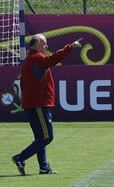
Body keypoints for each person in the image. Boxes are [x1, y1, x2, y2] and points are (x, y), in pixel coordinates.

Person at [12, 34, 82, 175]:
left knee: (40, 137)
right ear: (36, 44)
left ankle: (44, 167)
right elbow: (53, 59)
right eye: (44, 44)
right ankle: (20, 157)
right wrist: (70, 47)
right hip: (38, 104)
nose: (46, 46)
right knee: (46, 137)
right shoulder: (37, 58)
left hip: (33, 103)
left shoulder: (31, 59)